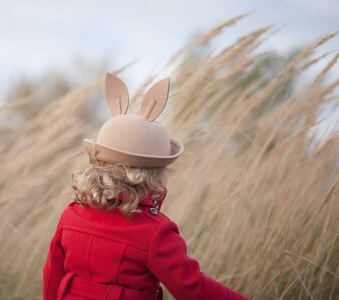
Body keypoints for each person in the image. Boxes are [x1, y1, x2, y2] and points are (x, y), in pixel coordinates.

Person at [42, 73, 248, 300]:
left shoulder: (71, 215)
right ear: (154, 176)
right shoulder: (154, 232)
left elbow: (53, 273)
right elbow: (191, 288)